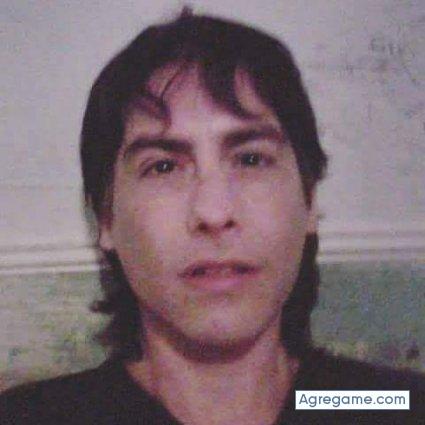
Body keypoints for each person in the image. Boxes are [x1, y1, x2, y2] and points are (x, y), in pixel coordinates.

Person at [0, 9, 424, 425]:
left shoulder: (387, 405)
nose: (214, 212)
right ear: (105, 219)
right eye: (163, 166)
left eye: (251, 159)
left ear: (309, 198)